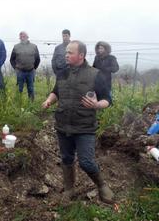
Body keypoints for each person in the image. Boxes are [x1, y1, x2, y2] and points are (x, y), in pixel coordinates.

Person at [42, 40, 114, 203]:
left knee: (86, 162)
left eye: (70, 53)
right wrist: (48, 101)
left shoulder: (95, 74)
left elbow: (107, 99)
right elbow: (56, 92)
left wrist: (97, 104)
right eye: (66, 52)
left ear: (81, 55)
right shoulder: (62, 73)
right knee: (66, 159)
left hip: (84, 127)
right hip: (63, 125)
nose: (66, 55)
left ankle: (102, 185)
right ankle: (69, 189)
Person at [10, 31, 40, 100]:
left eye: (24, 36)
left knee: (31, 89)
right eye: (21, 37)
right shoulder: (16, 47)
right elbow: (12, 59)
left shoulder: (34, 46)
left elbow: (37, 59)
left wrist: (34, 68)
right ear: (19, 38)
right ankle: (18, 103)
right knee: (19, 89)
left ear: (27, 37)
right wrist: (16, 69)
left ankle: (31, 104)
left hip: (30, 72)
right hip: (20, 72)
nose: (22, 38)